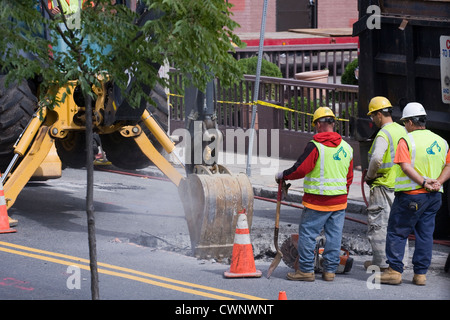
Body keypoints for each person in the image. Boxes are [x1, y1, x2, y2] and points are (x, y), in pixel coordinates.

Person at [276, 107, 354, 282]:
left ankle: (305, 270)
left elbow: (300, 169)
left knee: (308, 234)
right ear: (333, 124)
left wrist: (284, 175)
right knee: (334, 236)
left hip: (317, 201)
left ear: (318, 124)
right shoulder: (347, 148)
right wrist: (342, 194)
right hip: (339, 201)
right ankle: (330, 271)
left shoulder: (316, 146)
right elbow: (349, 177)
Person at [379, 102, 450, 285]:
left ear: (410, 122)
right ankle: (420, 274)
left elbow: (405, 165)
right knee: (425, 234)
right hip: (434, 197)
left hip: (411, 195)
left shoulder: (407, 140)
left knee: (397, 232)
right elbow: (448, 165)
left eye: (405, 123)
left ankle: (394, 271)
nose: (404, 126)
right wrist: (438, 182)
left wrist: (424, 182)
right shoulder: (441, 141)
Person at [364, 96, 409, 271]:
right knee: (399, 227)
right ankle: (400, 262)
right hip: (401, 185)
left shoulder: (384, 133)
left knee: (379, 226)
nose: (372, 120)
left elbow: (376, 158)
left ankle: (381, 264)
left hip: (383, 185)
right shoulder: (403, 130)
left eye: (372, 116)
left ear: (378, 115)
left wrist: (369, 176)